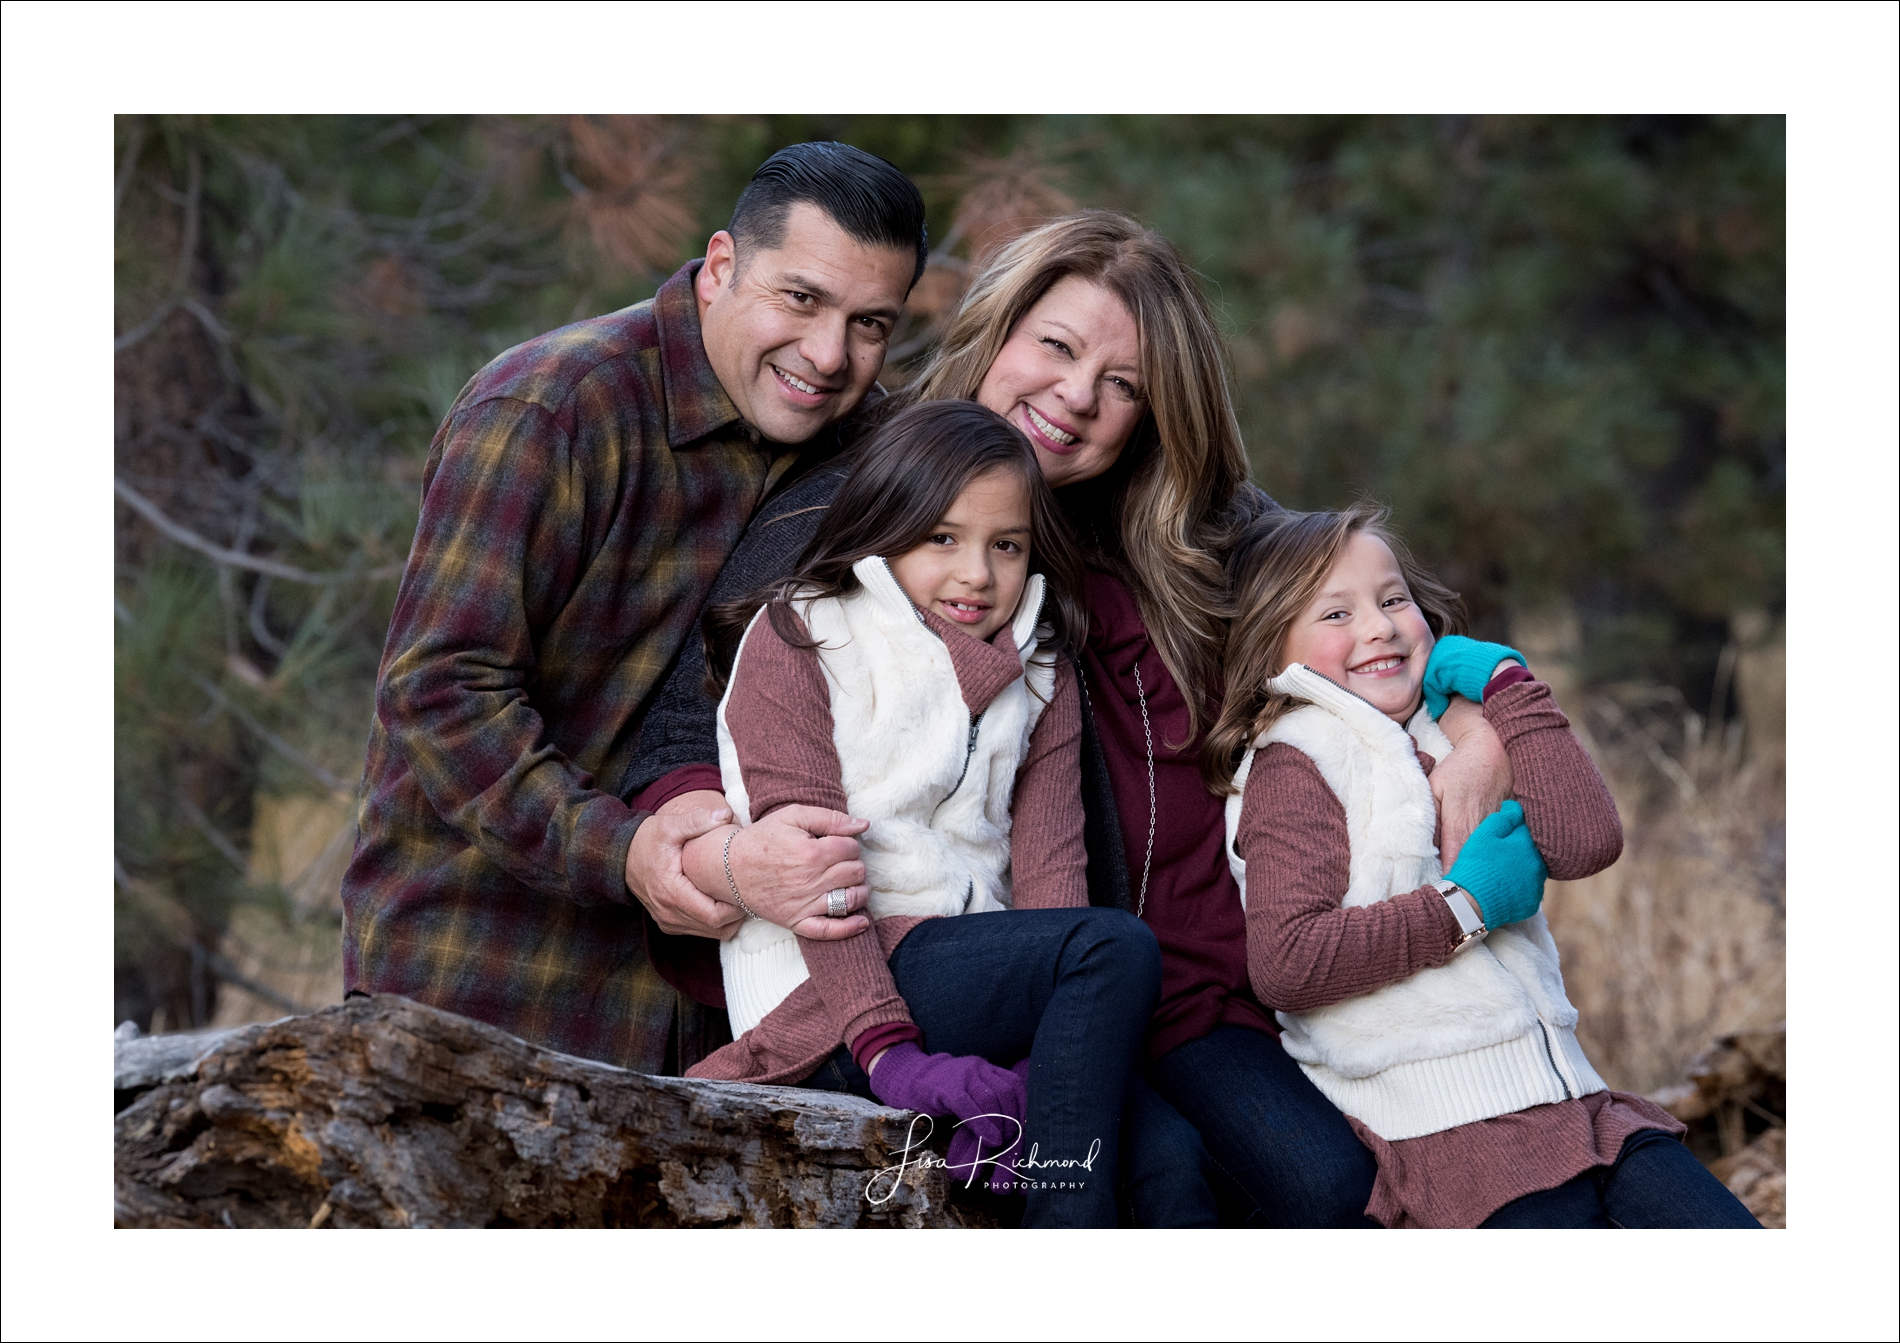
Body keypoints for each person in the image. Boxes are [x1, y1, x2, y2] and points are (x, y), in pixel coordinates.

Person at [630, 210, 1518, 1226]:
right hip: (947, 966)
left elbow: (1398, 620)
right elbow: (693, 730)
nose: (1074, 397)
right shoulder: (865, 493)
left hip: (1196, 977)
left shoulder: (1194, 521)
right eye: (1054, 346)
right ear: (997, 331)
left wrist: (1486, 721)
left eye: (1123, 384)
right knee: (1256, 1175)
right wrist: (713, 852)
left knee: (1288, 1183)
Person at [340, 142, 930, 1072]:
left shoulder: (869, 455)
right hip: (484, 973)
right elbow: (442, 691)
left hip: (718, 1011)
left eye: (871, 324)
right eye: (802, 299)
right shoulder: (551, 409)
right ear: (723, 265)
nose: (828, 354)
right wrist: (622, 852)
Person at [1209, 504, 1760, 1228]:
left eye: (1393, 598)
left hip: (1570, 1096)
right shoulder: (1297, 761)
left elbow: (1585, 843)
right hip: (1452, 1132)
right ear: (1274, 644)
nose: (1378, 626)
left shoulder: (1450, 726)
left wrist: (1509, 687)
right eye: (1335, 613)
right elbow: (1288, 961)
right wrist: (1462, 905)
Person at [685, 398, 1159, 1226]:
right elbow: (814, 880)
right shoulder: (803, 637)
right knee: (1110, 948)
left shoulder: (1037, 667)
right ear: (888, 522)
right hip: (829, 994)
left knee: (1169, 1153)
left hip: (965, 977)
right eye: (943, 537)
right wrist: (893, 1058)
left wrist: (1031, 1050)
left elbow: (1052, 882)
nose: (977, 573)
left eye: (1005, 545)